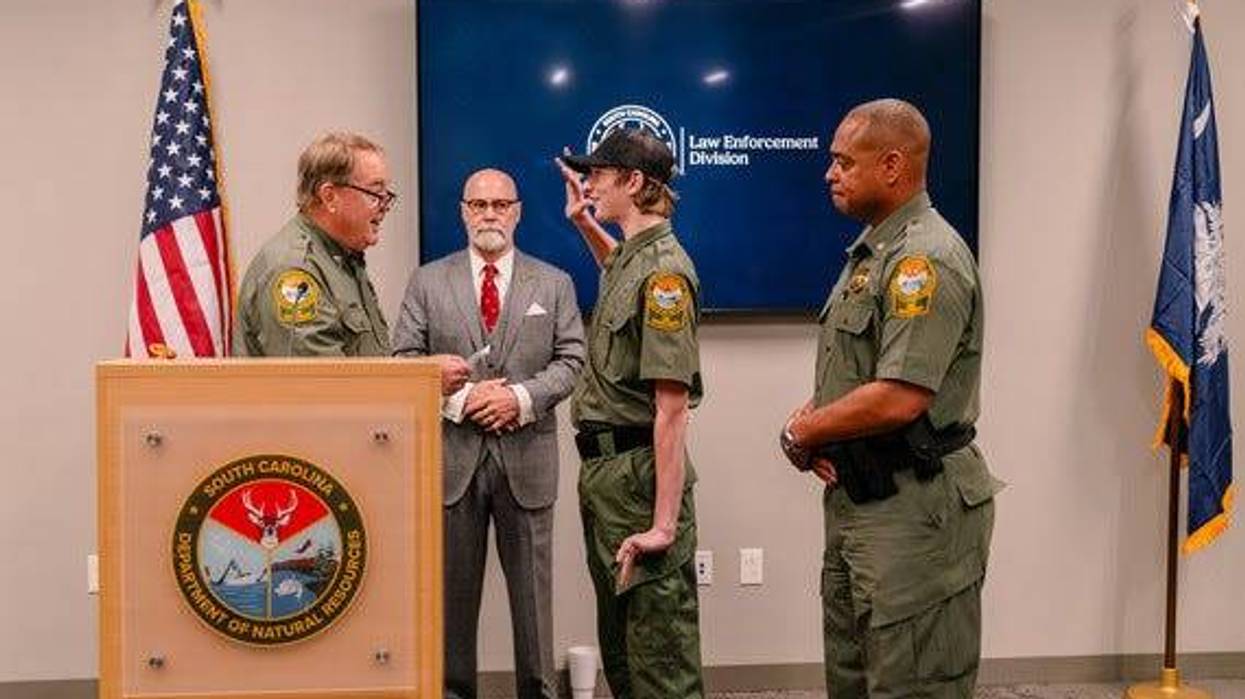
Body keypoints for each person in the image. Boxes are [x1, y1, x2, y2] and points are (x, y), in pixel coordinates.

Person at [779, 99, 1004, 699]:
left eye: (843, 162)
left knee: (914, 683)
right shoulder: (873, 254)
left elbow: (902, 395)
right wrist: (814, 428)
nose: (830, 173)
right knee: (855, 678)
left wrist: (805, 431)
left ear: (893, 165)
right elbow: (861, 375)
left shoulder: (923, 260)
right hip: (863, 502)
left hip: (915, 509)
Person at [391, 168, 585, 699]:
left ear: (518, 211)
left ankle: (538, 692)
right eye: (479, 205)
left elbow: (571, 360)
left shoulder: (554, 283)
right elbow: (404, 360)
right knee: (451, 604)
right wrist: (463, 400)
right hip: (452, 463)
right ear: (463, 212)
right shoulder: (428, 282)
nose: (490, 213)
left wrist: (518, 399)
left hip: (528, 463)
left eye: (501, 204)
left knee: (534, 603)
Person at [557, 129, 705, 699]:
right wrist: (582, 221)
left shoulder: (665, 274)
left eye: (598, 174)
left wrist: (664, 525)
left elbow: (671, 410)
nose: (589, 183)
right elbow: (618, 271)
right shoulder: (631, 259)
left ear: (634, 182)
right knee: (622, 651)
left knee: (658, 655)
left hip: (638, 475)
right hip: (605, 480)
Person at [234, 132, 396, 357]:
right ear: (329, 196)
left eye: (386, 195)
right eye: (375, 193)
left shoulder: (342, 258)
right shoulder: (295, 271)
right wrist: (424, 378)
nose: (384, 205)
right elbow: (319, 385)